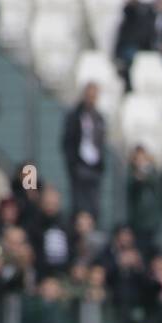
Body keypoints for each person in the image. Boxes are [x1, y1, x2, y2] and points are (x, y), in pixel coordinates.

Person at [61, 84, 106, 223]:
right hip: (79, 165)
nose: (91, 99)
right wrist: (72, 163)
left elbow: (100, 142)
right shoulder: (75, 116)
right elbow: (67, 141)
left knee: (94, 205)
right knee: (79, 205)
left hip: (94, 166)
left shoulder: (98, 117)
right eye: (89, 96)